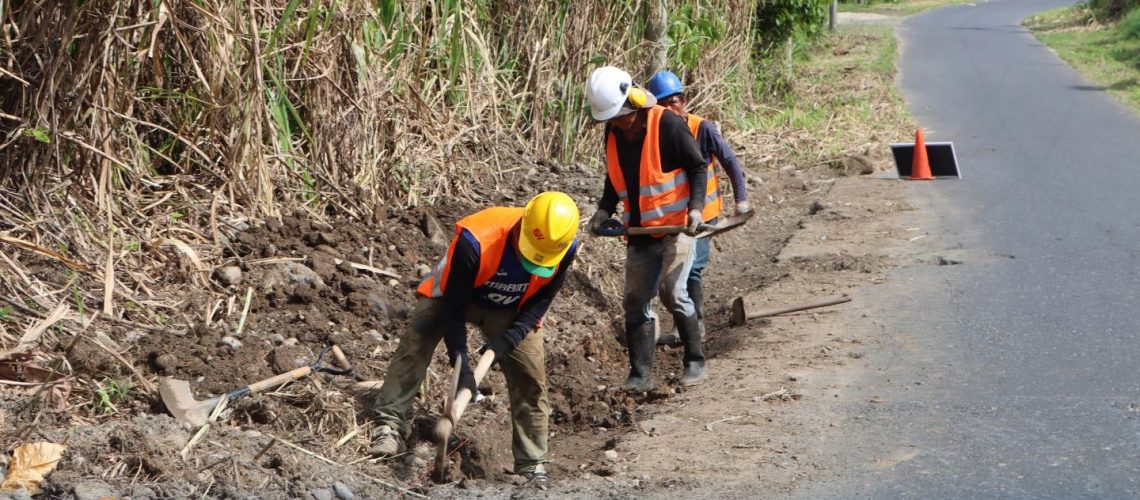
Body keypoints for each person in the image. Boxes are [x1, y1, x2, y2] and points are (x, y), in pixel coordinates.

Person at [369, 191, 581, 483]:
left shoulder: (565, 249)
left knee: (530, 375)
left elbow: (540, 301)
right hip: (457, 297)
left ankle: (531, 465)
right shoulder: (476, 240)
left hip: (512, 306)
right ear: (521, 225)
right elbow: (453, 307)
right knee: (418, 337)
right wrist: (462, 364)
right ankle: (388, 424)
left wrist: (509, 340)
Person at [583, 65, 710, 389]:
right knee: (636, 301)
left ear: (636, 103)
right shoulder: (612, 132)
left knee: (672, 291)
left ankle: (695, 361)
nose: (618, 123)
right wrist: (603, 210)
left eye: (622, 116)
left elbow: (697, 166)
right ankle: (640, 375)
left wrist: (696, 209)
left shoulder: (667, 125)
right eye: (611, 118)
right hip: (638, 232)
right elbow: (615, 178)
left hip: (677, 227)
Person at [645, 69, 752, 347]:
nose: (670, 108)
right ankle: (681, 327)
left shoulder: (700, 127)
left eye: (674, 101)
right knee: (667, 274)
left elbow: (730, 160)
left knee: (691, 269)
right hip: (672, 216)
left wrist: (741, 200)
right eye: (662, 104)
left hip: (703, 215)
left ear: (684, 100)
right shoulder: (652, 134)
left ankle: (697, 327)